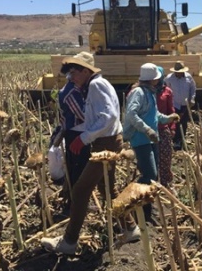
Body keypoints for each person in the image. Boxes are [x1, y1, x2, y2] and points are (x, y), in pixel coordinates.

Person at [41, 52, 140, 255]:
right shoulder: (93, 85)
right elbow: (101, 117)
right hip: (108, 141)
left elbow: (109, 117)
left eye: (74, 72)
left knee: (80, 190)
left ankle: (69, 242)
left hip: (106, 144)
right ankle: (130, 228)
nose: (71, 77)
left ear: (86, 71)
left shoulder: (96, 85)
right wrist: (80, 135)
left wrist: (84, 138)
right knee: (107, 190)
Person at [123, 63, 179, 222]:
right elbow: (131, 115)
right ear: (152, 79)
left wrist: (168, 118)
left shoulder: (149, 92)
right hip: (141, 139)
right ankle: (130, 199)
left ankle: (146, 209)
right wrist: (147, 130)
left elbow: (155, 115)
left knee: (152, 176)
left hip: (151, 138)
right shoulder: (138, 93)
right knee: (150, 174)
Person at [57, 75, 89, 213]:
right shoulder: (71, 93)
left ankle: (74, 201)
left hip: (75, 132)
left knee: (75, 168)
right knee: (78, 169)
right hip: (76, 134)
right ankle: (75, 204)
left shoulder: (72, 90)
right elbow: (82, 115)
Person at [165, 61, 196, 151]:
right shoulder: (169, 78)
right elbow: (165, 90)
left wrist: (192, 99)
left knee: (184, 122)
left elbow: (193, 88)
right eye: (177, 72)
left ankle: (182, 140)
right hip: (175, 104)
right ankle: (175, 141)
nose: (179, 74)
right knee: (175, 123)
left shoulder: (188, 77)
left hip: (185, 105)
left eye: (181, 72)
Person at [155, 66, 177, 190]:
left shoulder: (167, 91)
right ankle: (153, 184)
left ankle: (165, 184)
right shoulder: (146, 91)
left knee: (165, 157)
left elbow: (171, 111)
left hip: (163, 129)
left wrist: (172, 127)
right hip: (148, 130)